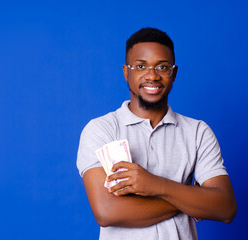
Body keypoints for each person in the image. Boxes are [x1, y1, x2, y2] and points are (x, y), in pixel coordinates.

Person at [76, 27, 236, 240]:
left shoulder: (197, 132)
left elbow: (225, 207)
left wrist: (153, 184)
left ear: (174, 73)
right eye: (141, 66)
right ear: (126, 72)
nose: (152, 76)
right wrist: (192, 198)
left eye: (162, 67)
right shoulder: (102, 129)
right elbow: (107, 212)